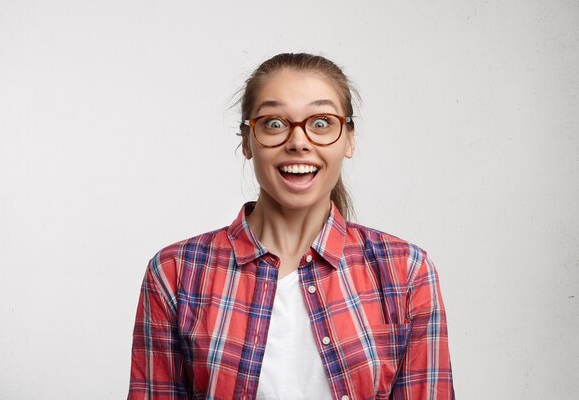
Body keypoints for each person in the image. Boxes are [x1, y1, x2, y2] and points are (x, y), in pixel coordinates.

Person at [128, 53, 454, 400]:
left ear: (349, 139)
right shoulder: (176, 272)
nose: (298, 142)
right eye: (274, 123)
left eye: (321, 123)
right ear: (247, 141)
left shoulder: (404, 270)